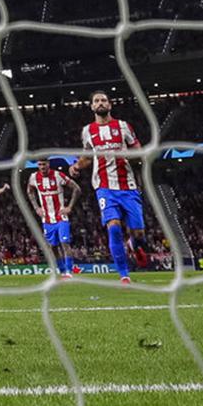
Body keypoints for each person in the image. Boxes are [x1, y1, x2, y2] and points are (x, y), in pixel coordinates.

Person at [69, 90, 148, 284]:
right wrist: (77, 166)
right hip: (104, 187)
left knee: (139, 233)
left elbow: (138, 150)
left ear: (110, 105)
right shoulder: (87, 131)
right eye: (96, 101)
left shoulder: (123, 126)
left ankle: (133, 244)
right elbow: (88, 157)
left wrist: (140, 156)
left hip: (128, 185)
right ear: (92, 106)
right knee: (113, 228)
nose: (100, 103)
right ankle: (124, 274)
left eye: (104, 100)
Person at [27, 158, 81, 278]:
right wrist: (36, 208)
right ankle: (62, 271)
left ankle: (69, 271)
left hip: (61, 216)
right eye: (40, 164)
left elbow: (77, 188)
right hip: (47, 219)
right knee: (53, 247)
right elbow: (30, 191)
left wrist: (70, 207)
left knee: (64, 242)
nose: (42, 167)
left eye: (44, 164)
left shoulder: (58, 175)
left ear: (48, 164)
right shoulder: (33, 177)